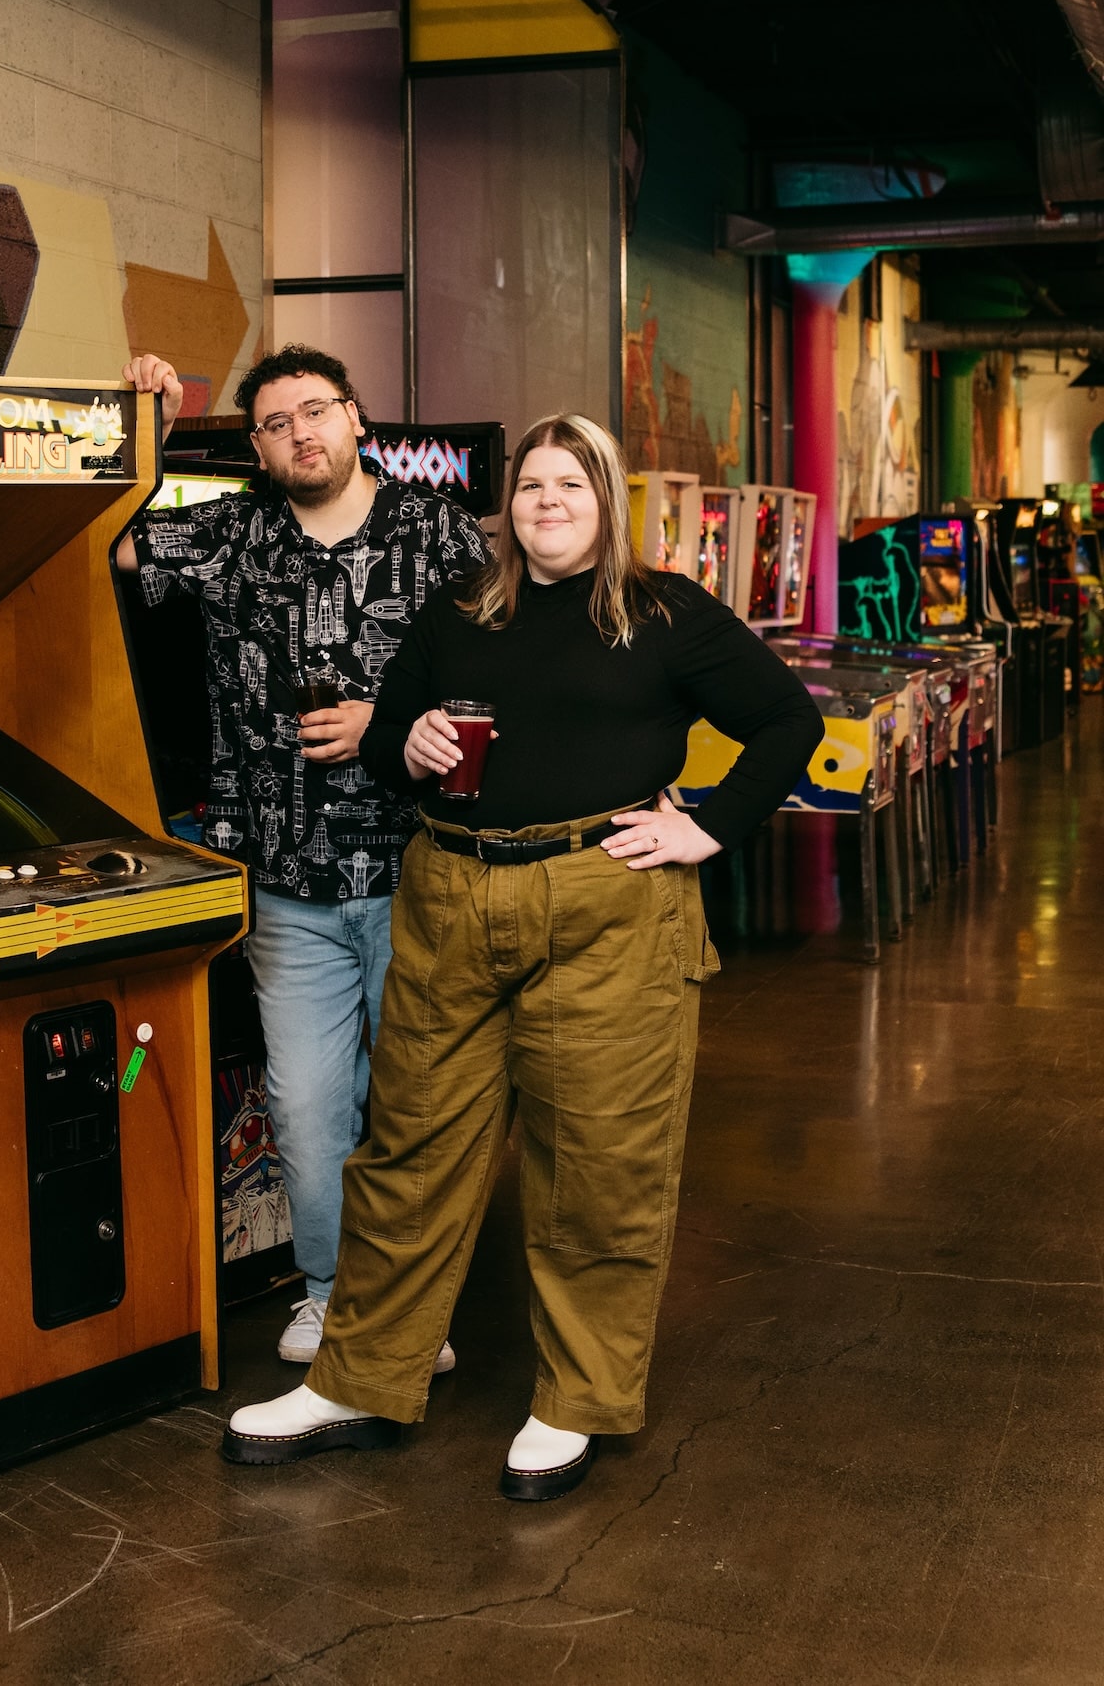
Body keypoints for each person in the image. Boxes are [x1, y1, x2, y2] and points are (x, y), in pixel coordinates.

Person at [222, 412, 824, 1498]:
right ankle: (360, 1377)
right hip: (451, 890)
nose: (547, 500)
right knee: (408, 1148)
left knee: (597, 1163)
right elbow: (400, 725)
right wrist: (403, 742)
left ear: (608, 498)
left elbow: (785, 718)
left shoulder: (663, 613)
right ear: (509, 503)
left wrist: (707, 824)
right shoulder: (461, 610)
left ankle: (575, 1399)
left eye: (571, 483)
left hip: (608, 904)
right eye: (532, 483)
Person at [117, 345, 492, 1365]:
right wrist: (139, 421)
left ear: (358, 418)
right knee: (307, 1101)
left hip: (423, 865)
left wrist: (392, 716)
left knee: (420, 1101)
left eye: (316, 410)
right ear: (256, 445)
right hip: (284, 879)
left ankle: (415, 1303)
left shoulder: (434, 531)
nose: (301, 433)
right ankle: (329, 1290)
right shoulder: (229, 531)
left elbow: (504, 668)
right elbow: (96, 543)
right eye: (276, 422)